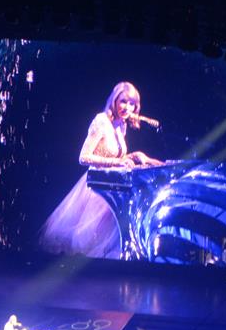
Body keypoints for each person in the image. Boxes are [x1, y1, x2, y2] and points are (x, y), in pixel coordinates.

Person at [40, 82, 162, 259]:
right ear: (114, 101)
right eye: (123, 101)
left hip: (112, 189)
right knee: (89, 245)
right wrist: (117, 162)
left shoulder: (121, 124)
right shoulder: (101, 121)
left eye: (132, 104)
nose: (127, 107)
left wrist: (137, 156)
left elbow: (118, 156)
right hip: (96, 191)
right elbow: (83, 157)